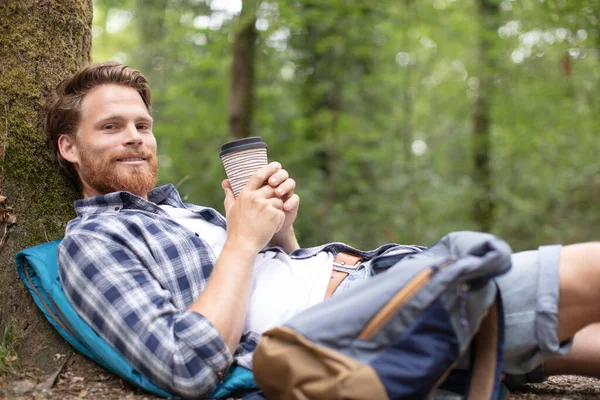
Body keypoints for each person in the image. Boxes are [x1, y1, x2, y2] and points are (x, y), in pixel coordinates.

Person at [46, 62, 600, 399]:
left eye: (143, 124)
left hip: (382, 276)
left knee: (577, 346)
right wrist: (240, 239)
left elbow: (271, 282)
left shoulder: (184, 214)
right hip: (369, 318)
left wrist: (281, 234)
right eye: (112, 126)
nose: (135, 137)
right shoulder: (94, 244)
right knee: (586, 274)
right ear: (69, 147)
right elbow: (185, 365)